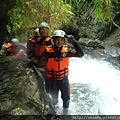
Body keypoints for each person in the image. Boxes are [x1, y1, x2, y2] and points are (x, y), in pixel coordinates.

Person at [38, 30, 84, 108]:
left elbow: (80, 54)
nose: (59, 42)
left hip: (64, 80)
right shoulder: (47, 52)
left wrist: (74, 42)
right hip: (52, 80)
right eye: (57, 40)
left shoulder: (66, 51)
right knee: (54, 102)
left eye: (61, 40)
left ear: (64, 41)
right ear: (53, 40)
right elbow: (40, 63)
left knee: (66, 101)